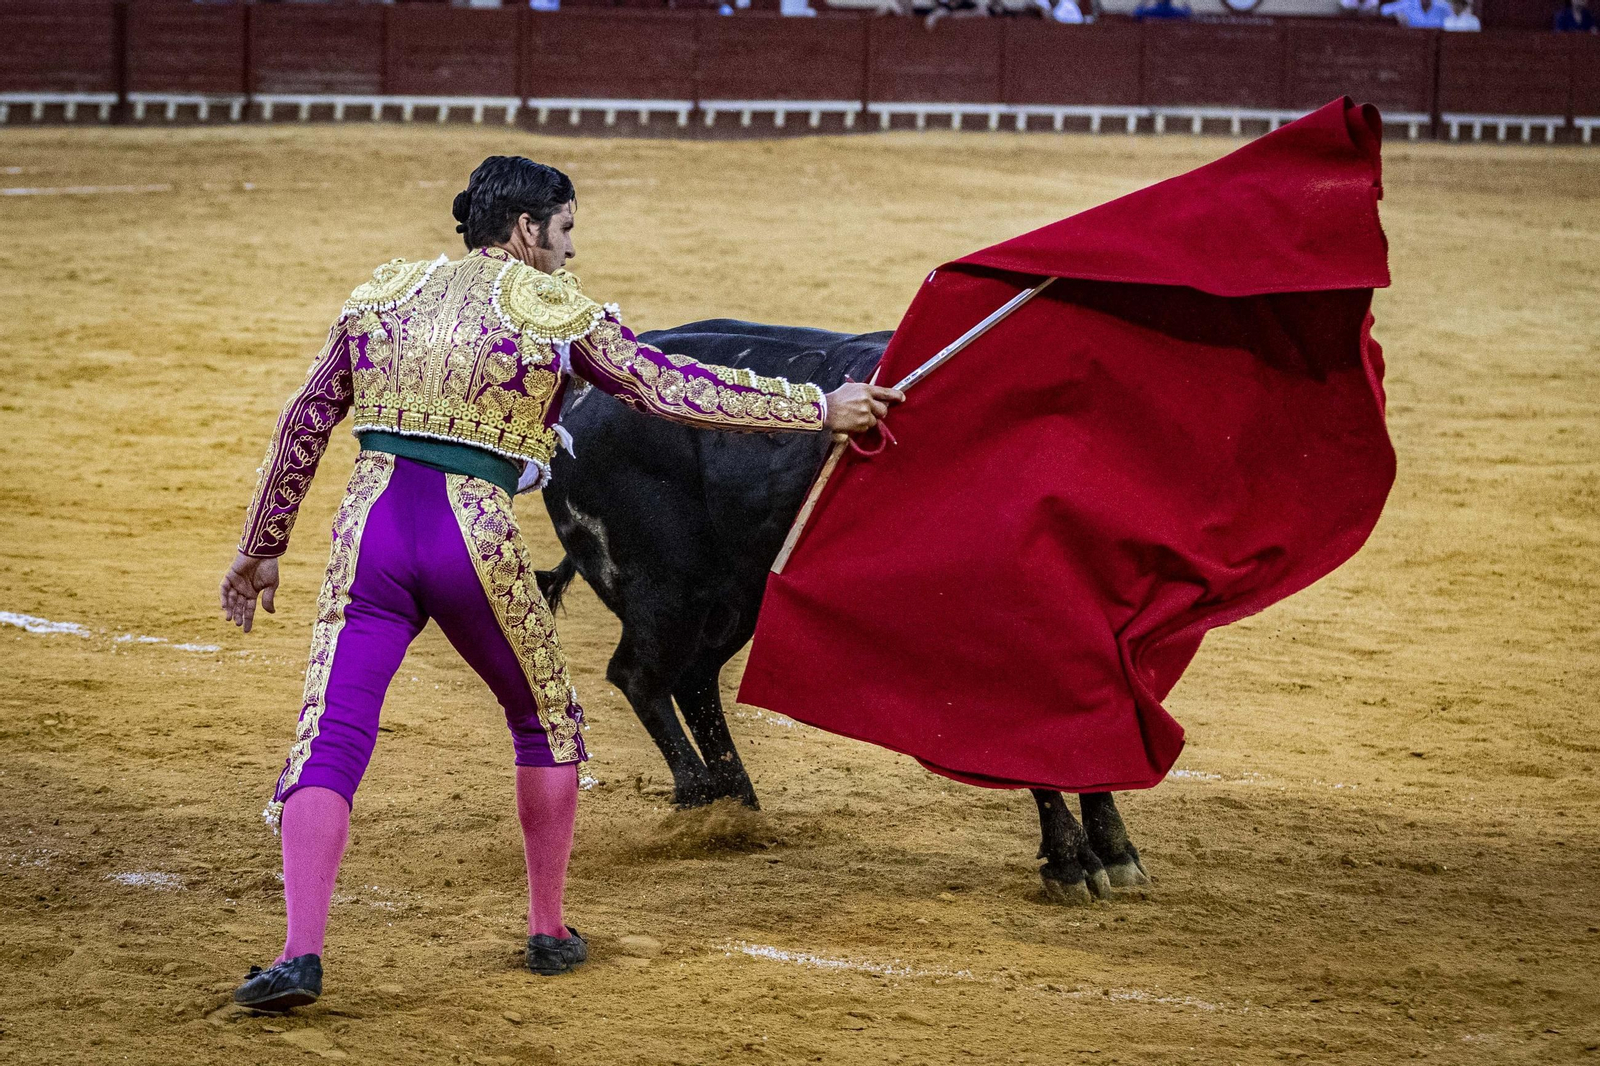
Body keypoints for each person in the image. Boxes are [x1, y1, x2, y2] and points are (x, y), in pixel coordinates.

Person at [219, 156, 903, 1010]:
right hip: (472, 535)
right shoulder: (552, 313)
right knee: (544, 721)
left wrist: (262, 544)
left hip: (371, 536)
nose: (571, 252)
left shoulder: (383, 296)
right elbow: (671, 387)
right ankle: (547, 930)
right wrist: (815, 409)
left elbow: (306, 418)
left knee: (332, 736)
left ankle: (298, 955)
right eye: (566, 230)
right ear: (526, 230)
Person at [1379, 0, 1453, 25]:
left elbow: (1456, 18)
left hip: (1437, 44)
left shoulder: (1442, 7)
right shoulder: (1409, 4)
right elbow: (1384, 9)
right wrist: (1396, 14)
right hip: (1412, 43)